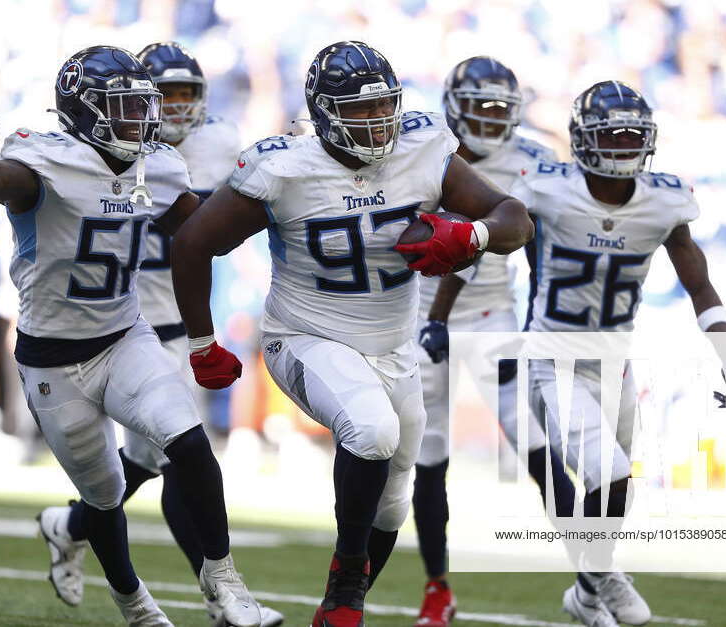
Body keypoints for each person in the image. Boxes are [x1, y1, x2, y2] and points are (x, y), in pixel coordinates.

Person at [170, 41, 534, 627]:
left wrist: (473, 238)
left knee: (392, 505)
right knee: (370, 429)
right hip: (305, 335)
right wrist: (200, 342)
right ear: (321, 112)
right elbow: (192, 243)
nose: (375, 122)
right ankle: (346, 593)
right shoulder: (283, 166)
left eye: (383, 106)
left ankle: (338, 606)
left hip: (393, 348)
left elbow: (513, 215)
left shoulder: (422, 147)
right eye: (358, 111)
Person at [0, 45, 261, 627]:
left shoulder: (157, 163)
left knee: (191, 444)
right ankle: (135, 604)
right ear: (82, 111)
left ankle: (223, 575)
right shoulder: (46, 157)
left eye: (140, 106)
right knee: (104, 496)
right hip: (52, 360)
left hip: (124, 336)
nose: (139, 120)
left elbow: (201, 231)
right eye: (122, 107)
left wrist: (276, 208)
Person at [30, 41, 283, 627]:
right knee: (173, 456)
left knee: (160, 457)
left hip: (178, 318)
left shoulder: (217, 142)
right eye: (160, 93)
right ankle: (221, 598)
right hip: (126, 322)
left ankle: (69, 526)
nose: (172, 106)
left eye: (185, 93)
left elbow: (216, 224)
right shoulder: (86, 151)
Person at [507, 80, 726, 626]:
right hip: (553, 359)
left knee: (617, 488)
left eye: (631, 136)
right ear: (583, 141)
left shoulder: (664, 200)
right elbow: (493, 224)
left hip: (615, 362)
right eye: (610, 136)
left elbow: (700, 286)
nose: (621, 146)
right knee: (613, 477)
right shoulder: (545, 189)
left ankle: (589, 591)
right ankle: (598, 583)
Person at [410, 56, 577, 627]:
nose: (488, 117)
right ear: (454, 104)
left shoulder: (533, 160)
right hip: (418, 315)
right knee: (427, 455)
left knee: (534, 442)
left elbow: (544, 246)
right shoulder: (421, 145)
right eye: (478, 104)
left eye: (498, 107)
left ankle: (593, 573)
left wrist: (539, 319)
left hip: (492, 312)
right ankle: (437, 586)